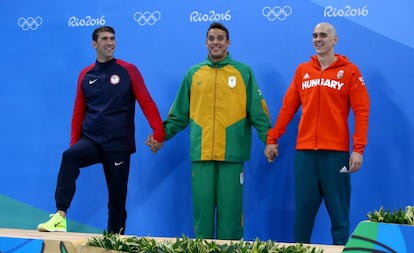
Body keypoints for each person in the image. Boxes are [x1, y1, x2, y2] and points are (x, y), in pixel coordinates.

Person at [147, 22, 272, 240]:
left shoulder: (243, 72)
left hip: (232, 156)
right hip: (201, 154)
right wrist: (161, 137)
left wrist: (270, 140)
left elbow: (258, 113)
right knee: (202, 216)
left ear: (228, 42)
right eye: (212, 38)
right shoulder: (194, 74)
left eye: (220, 38)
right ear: (206, 42)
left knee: (231, 217)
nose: (216, 42)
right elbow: (178, 115)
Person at [37, 25, 165, 234]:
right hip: (92, 142)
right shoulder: (85, 75)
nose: (110, 43)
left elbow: (147, 103)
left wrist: (159, 133)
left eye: (113, 38)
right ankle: (60, 217)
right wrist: (75, 143)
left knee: (117, 200)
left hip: (118, 145)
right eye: (104, 39)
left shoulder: (128, 70)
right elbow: (78, 112)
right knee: (70, 156)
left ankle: (115, 241)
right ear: (94, 44)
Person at [264, 22, 370, 245]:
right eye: (314, 35)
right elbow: (288, 108)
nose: (318, 39)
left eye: (323, 35)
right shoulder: (303, 71)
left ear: (335, 40)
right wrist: (272, 138)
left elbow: (362, 111)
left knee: (339, 216)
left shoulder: (350, 71)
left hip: (335, 154)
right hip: (305, 154)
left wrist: (358, 149)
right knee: (302, 216)